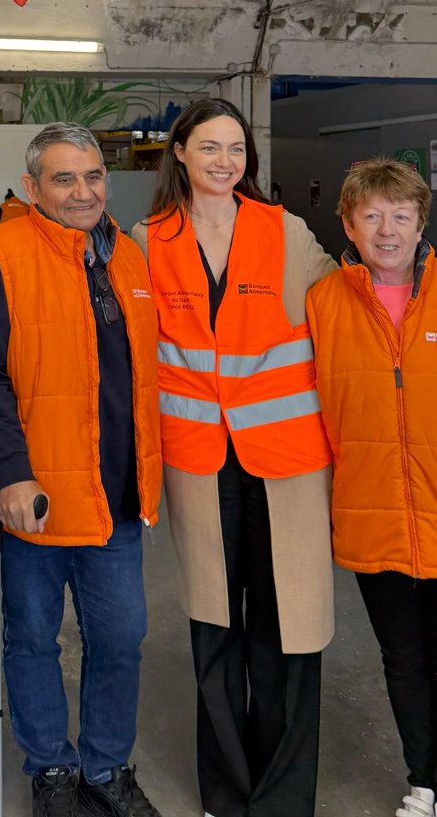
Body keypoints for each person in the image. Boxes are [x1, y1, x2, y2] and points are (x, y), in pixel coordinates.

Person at [131, 98, 335, 817]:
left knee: (288, 629)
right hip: (198, 460)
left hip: (285, 462)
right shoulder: (146, 240)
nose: (224, 162)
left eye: (236, 150)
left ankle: (281, 799)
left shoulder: (285, 232)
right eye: (209, 147)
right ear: (179, 153)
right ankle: (226, 790)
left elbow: (341, 315)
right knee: (215, 629)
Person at [0, 122, 162, 817]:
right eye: (64, 179)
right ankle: (50, 768)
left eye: (93, 177)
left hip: (115, 495)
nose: (83, 192)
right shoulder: (3, 253)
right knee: (30, 639)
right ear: (32, 188)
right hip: (37, 497)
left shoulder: (128, 257)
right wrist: (11, 474)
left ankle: (107, 768)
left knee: (120, 638)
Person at [307, 159, 437, 817]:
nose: (387, 230)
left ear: (421, 223)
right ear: (349, 226)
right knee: (403, 656)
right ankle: (426, 780)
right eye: (372, 216)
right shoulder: (324, 303)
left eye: (402, 216)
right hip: (370, 511)